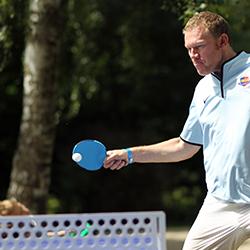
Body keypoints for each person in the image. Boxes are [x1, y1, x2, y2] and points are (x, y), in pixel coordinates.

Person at [104, 11, 250, 250]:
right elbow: (184, 146)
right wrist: (129, 154)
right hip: (220, 204)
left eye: (200, 47)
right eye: (189, 49)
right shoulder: (203, 89)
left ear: (223, 41)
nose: (194, 56)